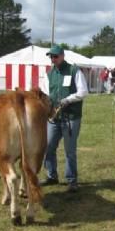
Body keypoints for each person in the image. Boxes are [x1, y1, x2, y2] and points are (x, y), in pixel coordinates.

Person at [41, 44, 88, 192]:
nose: (53, 59)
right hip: (54, 117)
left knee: (70, 150)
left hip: (71, 117)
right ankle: (51, 175)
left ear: (62, 56)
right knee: (48, 147)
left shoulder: (74, 71)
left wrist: (68, 99)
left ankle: (72, 180)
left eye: (55, 56)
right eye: (51, 57)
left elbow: (83, 91)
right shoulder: (49, 74)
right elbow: (45, 93)